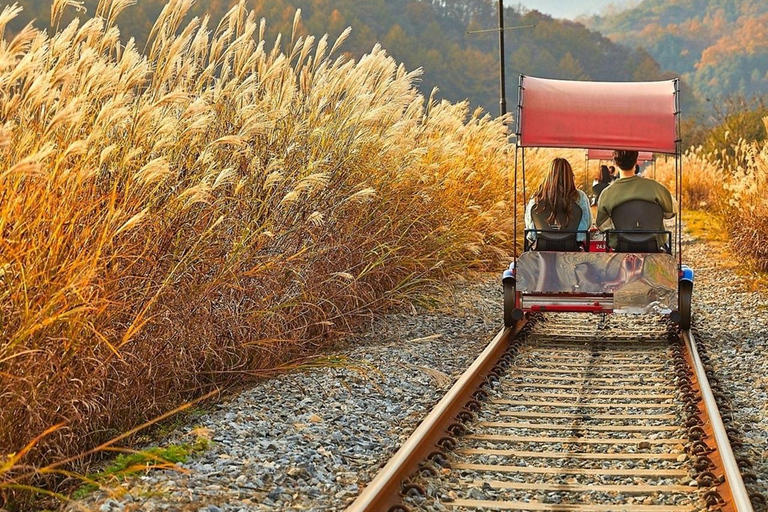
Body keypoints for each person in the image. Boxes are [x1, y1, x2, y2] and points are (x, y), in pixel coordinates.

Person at [596, 150, 674, 250]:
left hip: (622, 246)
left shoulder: (607, 193)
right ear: (636, 161)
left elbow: (602, 225)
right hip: (654, 245)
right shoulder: (656, 188)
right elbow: (670, 214)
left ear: (615, 163)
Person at [525, 157, 591, 247]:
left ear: (549, 175)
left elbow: (531, 231)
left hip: (542, 249)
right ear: (570, 175)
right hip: (571, 248)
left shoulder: (537, 198)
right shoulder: (580, 197)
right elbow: (585, 227)